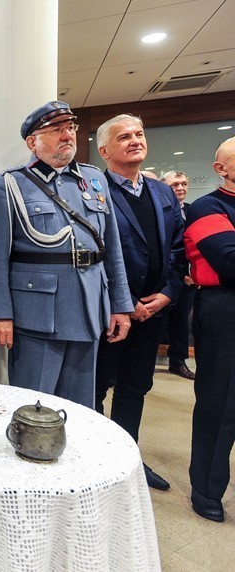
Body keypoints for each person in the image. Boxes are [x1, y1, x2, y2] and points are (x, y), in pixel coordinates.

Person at [0, 101, 132, 408]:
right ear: (32, 142)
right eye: (55, 130)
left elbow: (111, 248)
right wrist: (1, 314)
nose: (66, 136)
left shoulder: (94, 179)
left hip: (89, 305)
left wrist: (120, 304)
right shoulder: (11, 183)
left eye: (70, 128)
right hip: (38, 312)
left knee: (81, 406)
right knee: (34, 405)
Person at [94, 114, 185, 491]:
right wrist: (124, 301)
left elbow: (179, 249)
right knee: (96, 390)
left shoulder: (161, 192)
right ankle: (97, 460)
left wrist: (167, 293)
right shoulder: (94, 190)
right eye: (124, 137)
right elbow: (93, 251)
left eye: (139, 134)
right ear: (104, 151)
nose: (135, 141)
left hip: (152, 312)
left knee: (135, 387)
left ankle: (128, 460)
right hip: (108, 313)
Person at [183, 136, 235, 522]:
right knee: (220, 404)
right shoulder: (207, 206)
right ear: (221, 169)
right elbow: (229, 261)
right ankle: (207, 487)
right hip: (224, 307)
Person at [160, 170, 195, 380]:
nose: (180, 188)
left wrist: (190, 273)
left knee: (181, 321)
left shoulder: (194, 211)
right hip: (162, 277)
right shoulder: (160, 209)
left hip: (187, 279)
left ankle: (178, 361)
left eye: (183, 184)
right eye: (175, 184)